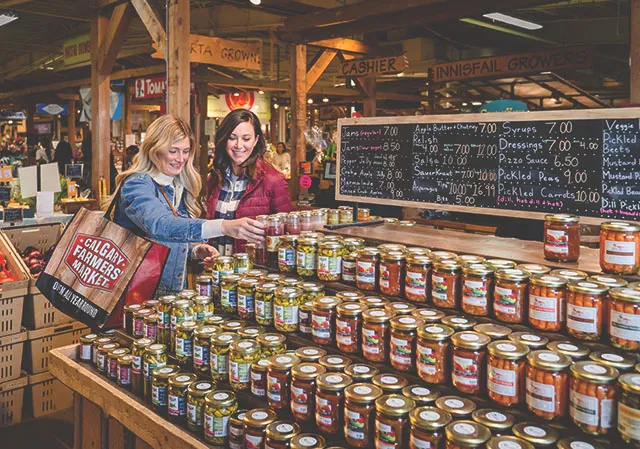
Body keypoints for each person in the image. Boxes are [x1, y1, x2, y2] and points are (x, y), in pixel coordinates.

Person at [111, 114, 266, 295]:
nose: (181, 158)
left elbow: (166, 240)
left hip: (170, 293)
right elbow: (160, 224)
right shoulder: (137, 184)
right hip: (136, 294)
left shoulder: (177, 184)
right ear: (154, 149)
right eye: (173, 151)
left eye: (185, 151)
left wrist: (195, 250)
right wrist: (223, 226)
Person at [206, 109, 293, 254]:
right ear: (223, 139)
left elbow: (288, 235)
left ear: (256, 140)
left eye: (246, 138)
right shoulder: (215, 177)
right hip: (216, 268)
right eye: (232, 138)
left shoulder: (273, 180)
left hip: (253, 271)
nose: (238, 145)